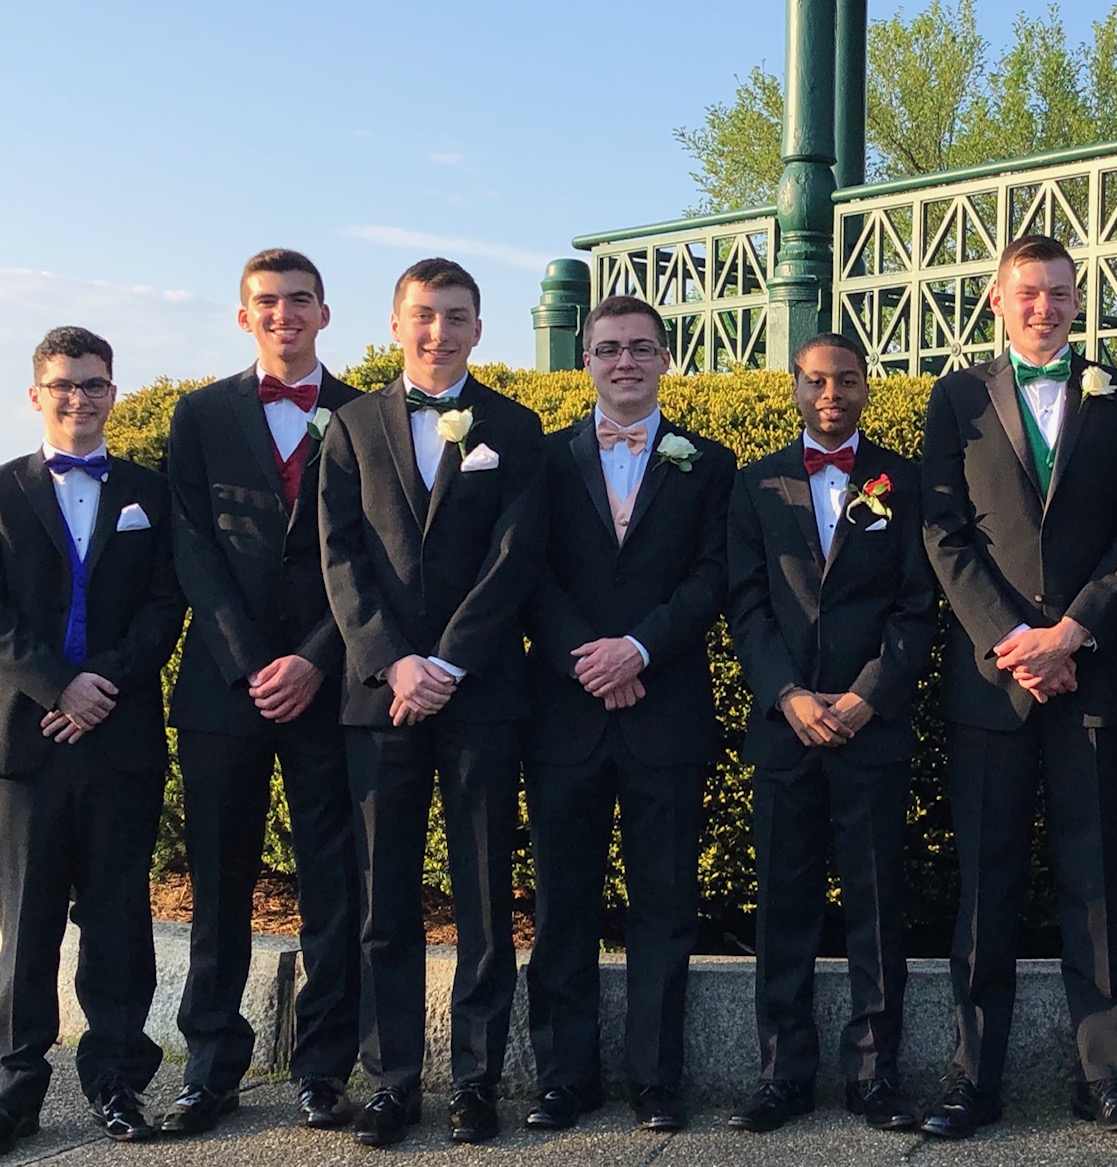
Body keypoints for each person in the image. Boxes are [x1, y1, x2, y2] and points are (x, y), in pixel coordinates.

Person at [919, 234, 1117, 1138]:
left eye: (1058, 293)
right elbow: (943, 531)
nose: (1043, 308)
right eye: (1027, 293)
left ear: (1076, 301)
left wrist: (1073, 630)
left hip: (1088, 671)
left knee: (1092, 882)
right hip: (993, 680)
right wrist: (1012, 638)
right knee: (986, 885)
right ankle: (971, 1079)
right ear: (996, 300)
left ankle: (1105, 1077)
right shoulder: (955, 397)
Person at [317, 258, 546, 1147]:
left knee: (485, 890)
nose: (438, 331)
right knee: (384, 895)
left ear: (478, 329)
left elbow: (514, 558)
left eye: (455, 316)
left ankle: (476, 1081)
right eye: (423, 314)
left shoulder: (515, 428)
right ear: (394, 323)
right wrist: (393, 662)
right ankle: (391, 1080)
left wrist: (447, 661)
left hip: (480, 692)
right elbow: (341, 557)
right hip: (380, 697)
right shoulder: (350, 425)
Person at [521, 295, 734, 1135]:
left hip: (664, 707)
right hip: (566, 711)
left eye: (641, 348)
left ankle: (655, 1079)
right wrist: (589, 657)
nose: (625, 362)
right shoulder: (542, 459)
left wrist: (638, 649)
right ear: (586, 361)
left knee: (665, 903)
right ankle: (561, 1078)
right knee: (561, 903)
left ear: (665, 358)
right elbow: (527, 572)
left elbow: (712, 576)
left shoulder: (708, 462)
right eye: (609, 348)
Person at [163, 249, 362, 1136]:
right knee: (219, 883)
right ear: (245, 317)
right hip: (224, 687)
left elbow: (374, 554)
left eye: (300, 300)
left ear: (325, 313)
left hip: (330, 682)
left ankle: (323, 1069)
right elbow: (191, 546)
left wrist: (315, 658)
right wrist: (252, 662)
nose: (285, 314)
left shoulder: (365, 414)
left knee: (333, 886)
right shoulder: (200, 414)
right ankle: (209, 1070)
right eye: (268, 302)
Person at [723, 333, 938, 1133]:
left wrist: (865, 697)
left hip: (869, 728)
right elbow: (745, 603)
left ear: (866, 386)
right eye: (815, 381)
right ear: (794, 387)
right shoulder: (755, 482)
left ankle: (875, 1075)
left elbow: (917, 603)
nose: (830, 395)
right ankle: (782, 1075)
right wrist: (786, 694)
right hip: (785, 729)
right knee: (783, 903)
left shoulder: (904, 481)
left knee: (876, 904)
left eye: (845, 380)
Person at [0, 327, 185, 1151]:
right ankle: (15, 1085)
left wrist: (98, 684)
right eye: (63, 384)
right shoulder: (2, 491)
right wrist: (56, 685)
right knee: (25, 921)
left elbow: (166, 602)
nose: (79, 397)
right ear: (35, 394)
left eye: (94, 383)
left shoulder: (151, 492)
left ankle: (116, 1080)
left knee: (118, 920)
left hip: (120, 735)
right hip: (27, 740)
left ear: (114, 390)